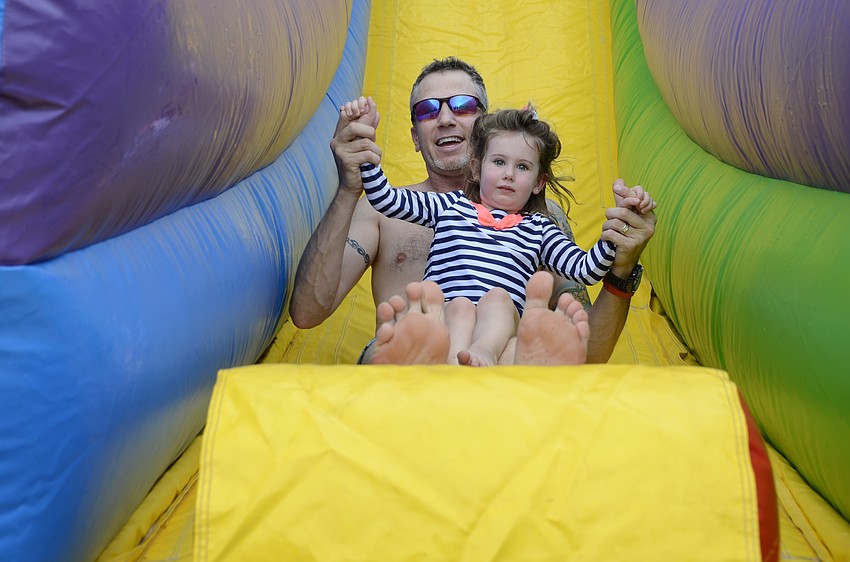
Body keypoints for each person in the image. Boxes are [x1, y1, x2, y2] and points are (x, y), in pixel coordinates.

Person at [289, 57, 657, 364]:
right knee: (416, 330)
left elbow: (588, 354)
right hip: (405, 386)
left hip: (498, 377)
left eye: (462, 105)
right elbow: (307, 313)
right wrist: (350, 188)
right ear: (415, 137)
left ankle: (502, 353)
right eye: (428, 110)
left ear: (484, 126)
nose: (446, 118)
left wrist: (621, 266)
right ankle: (415, 347)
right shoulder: (381, 212)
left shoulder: (541, 221)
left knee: (513, 335)